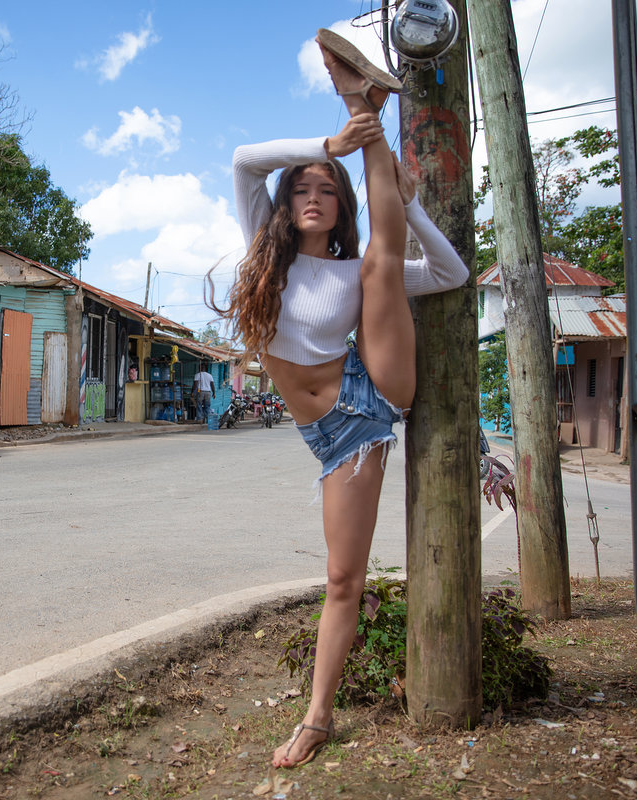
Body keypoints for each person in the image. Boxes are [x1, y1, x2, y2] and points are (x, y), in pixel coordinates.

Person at [218, 30, 469, 769]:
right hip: (320, 436)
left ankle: (318, 720)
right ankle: (364, 106)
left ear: (342, 203)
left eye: (328, 188)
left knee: (341, 579)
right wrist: (330, 143)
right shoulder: (264, 254)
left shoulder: (353, 268)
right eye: (303, 187)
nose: (314, 197)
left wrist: (411, 208)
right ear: (285, 202)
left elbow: (450, 274)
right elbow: (244, 160)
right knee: (340, 576)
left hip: (365, 408)